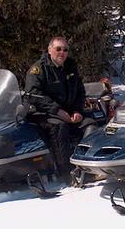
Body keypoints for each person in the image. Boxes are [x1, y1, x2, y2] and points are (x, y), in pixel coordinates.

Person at [24, 36, 89, 181]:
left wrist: (78, 110)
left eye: (65, 50)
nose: (62, 52)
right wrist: (57, 110)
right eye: (58, 49)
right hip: (41, 112)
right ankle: (65, 172)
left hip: (68, 111)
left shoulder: (70, 66)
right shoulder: (39, 69)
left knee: (90, 124)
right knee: (59, 127)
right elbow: (33, 94)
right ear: (49, 50)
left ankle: (89, 166)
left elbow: (80, 92)